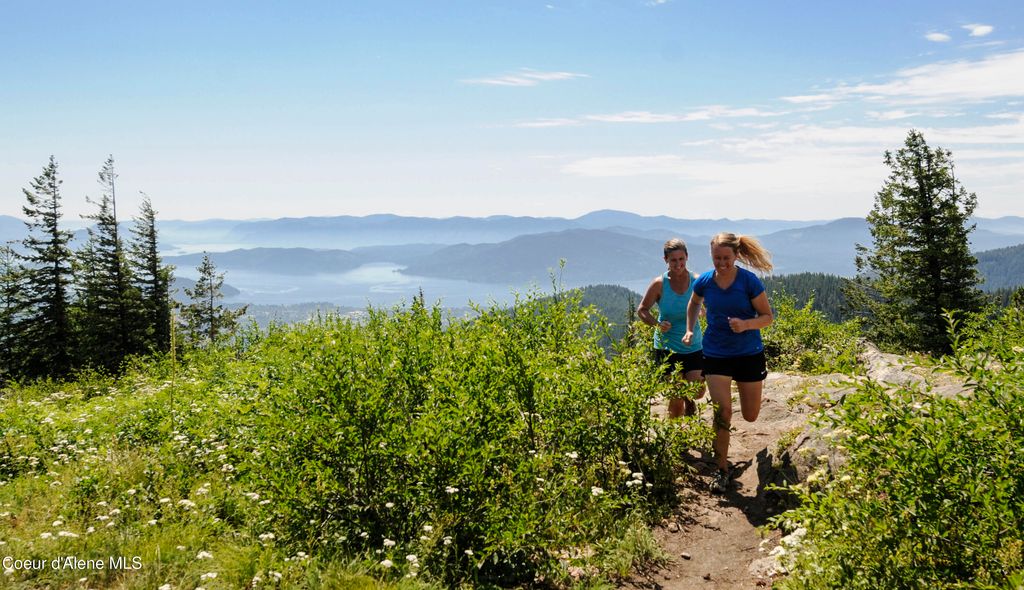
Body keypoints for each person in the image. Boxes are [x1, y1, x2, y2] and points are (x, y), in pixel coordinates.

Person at [682, 232, 774, 493]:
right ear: (711, 255)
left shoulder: (748, 282)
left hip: (748, 352)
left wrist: (746, 324)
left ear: (736, 256)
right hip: (716, 353)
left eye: (726, 258)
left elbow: (767, 317)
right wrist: (690, 329)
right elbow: (693, 303)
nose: (721, 263)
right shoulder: (705, 281)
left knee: (751, 415)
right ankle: (721, 470)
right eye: (716, 258)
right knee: (722, 413)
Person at [637, 238, 705, 418]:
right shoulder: (659, 284)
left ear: (687, 257)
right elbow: (642, 310)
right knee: (675, 400)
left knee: (698, 391)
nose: (678, 264)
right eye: (673, 260)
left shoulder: (697, 281)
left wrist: (704, 311)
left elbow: (708, 306)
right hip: (667, 347)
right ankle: (676, 443)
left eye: (681, 259)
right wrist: (657, 324)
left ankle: (688, 399)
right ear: (665, 260)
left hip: (693, 344)